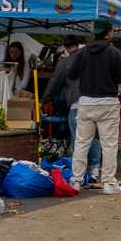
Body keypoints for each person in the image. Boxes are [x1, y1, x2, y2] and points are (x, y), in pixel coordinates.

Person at [68, 21, 121, 195]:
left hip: (86, 101)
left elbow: (71, 74)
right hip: (108, 102)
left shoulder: (82, 52)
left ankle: (76, 181)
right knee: (109, 144)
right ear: (108, 33)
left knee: (81, 143)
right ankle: (109, 182)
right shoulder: (114, 53)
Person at [42, 35, 103, 180]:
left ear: (65, 47)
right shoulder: (92, 59)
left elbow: (54, 83)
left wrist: (44, 100)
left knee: (79, 139)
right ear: (77, 44)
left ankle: (80, 172)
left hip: (77, 104)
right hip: (96, 101)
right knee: (94, 137)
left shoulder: (66, 62)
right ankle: (95, 169)